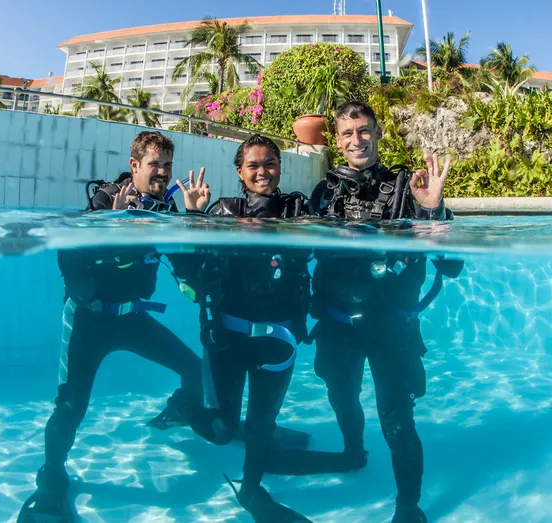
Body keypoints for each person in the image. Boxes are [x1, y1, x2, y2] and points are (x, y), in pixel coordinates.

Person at [18, 131, 210, 523]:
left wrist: (193, 219)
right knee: (72, 404)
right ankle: (51, 475)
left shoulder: (167, 209)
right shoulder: (104, 202)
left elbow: (187, 274)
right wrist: (110, 227)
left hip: (134, 317)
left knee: (194, 369)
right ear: (134, 164)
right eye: (154, 164)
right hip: (90, 320)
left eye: (167, 166)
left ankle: (178, 411)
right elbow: (70, 264)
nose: (162, 172)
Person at [306, 101, 464, 523]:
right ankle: (353, 451)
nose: (356, 140)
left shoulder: (408, 188)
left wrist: (432, 210)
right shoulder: (324, 194)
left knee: (396, 420)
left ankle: (408, 506)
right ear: (337, 143)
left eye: (363, 131)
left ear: (377, 133)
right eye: (346, 134)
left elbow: (452, 265)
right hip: (337, 326)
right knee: (341, 397)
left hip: (391, 329)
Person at [176, 134, 313, 522]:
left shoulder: (296, 208)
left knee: (261, 425)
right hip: (229, 341)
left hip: (278, 341)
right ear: (239, 171)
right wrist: (194, 218)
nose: (262, 171)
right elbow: (189, 268)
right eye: (253, 165)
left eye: (269, 163)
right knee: (222, 430)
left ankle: (252, 491)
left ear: (280, 167)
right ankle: (185, 407)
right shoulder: (223, 210)